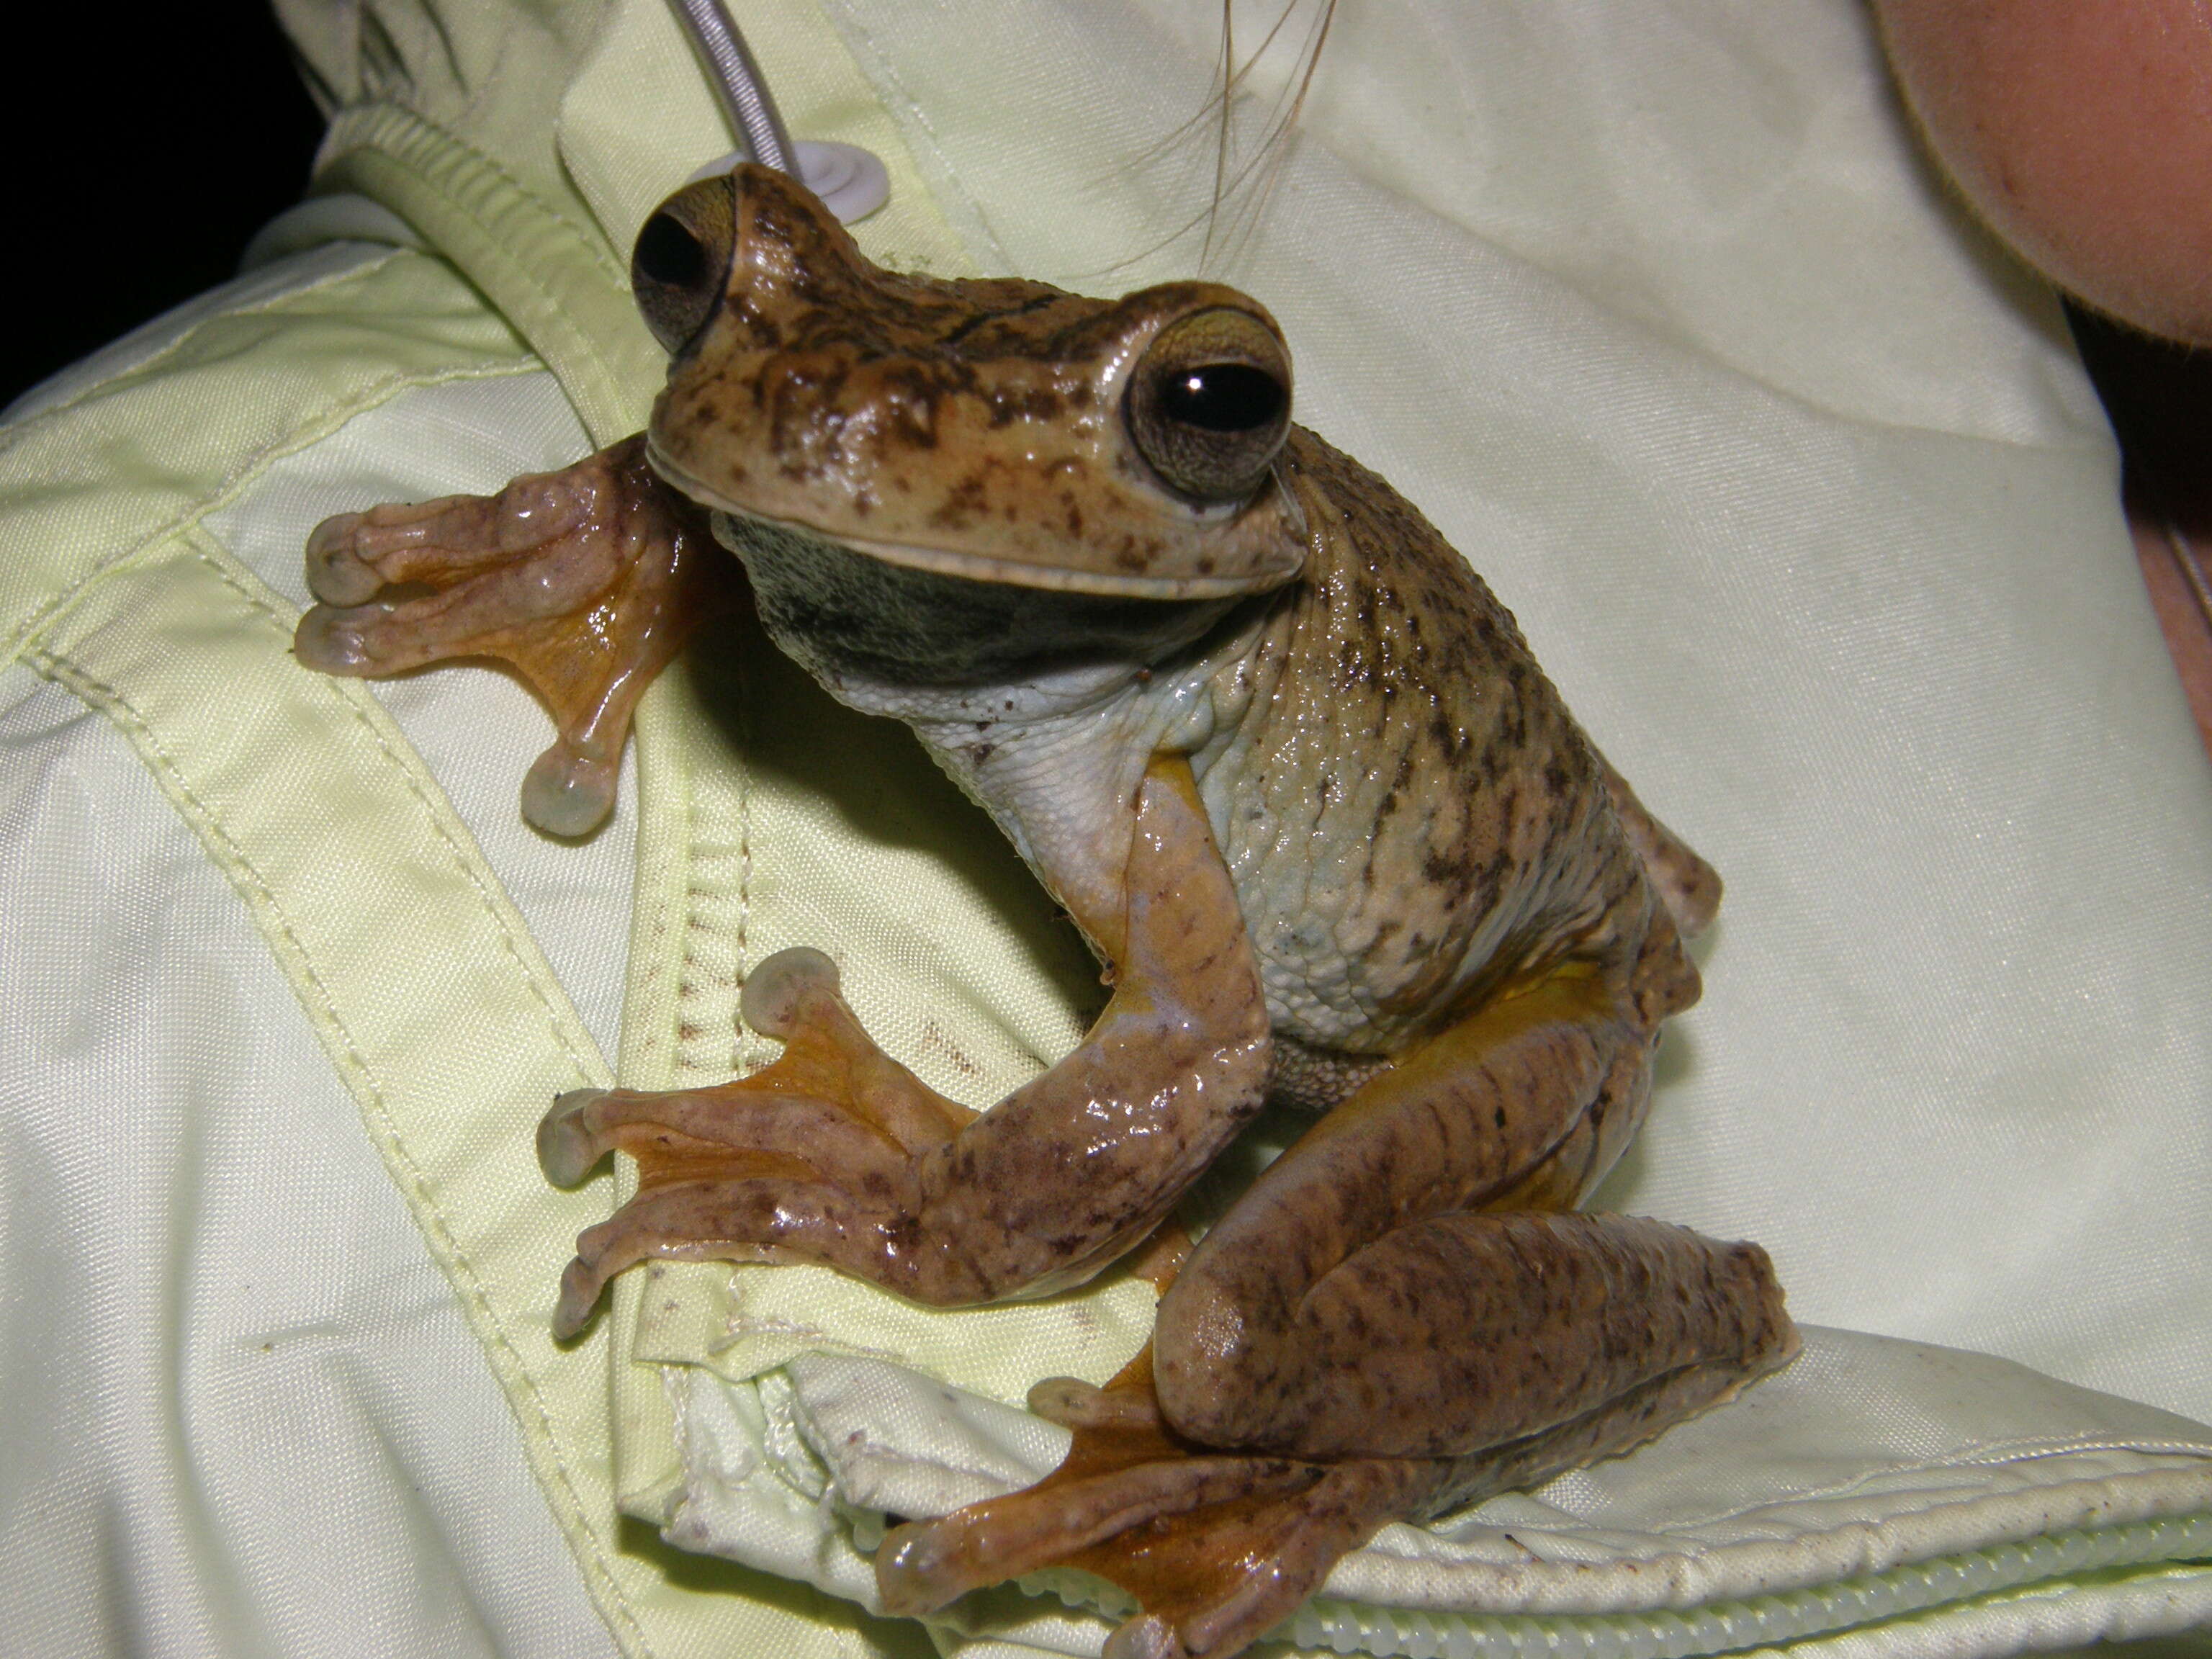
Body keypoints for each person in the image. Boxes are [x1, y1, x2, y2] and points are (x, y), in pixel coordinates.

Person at [1, 3, 2206, 1655]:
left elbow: (1187, 1059)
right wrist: (638, 511)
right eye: (707, 285)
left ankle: (1408, 1428)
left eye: (1200, 411)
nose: (832, 422)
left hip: (1515, 1008)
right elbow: (805, 426)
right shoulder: (159, 863)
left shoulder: (1168, 728)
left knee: (1236, 1343)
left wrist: (929, 1218)